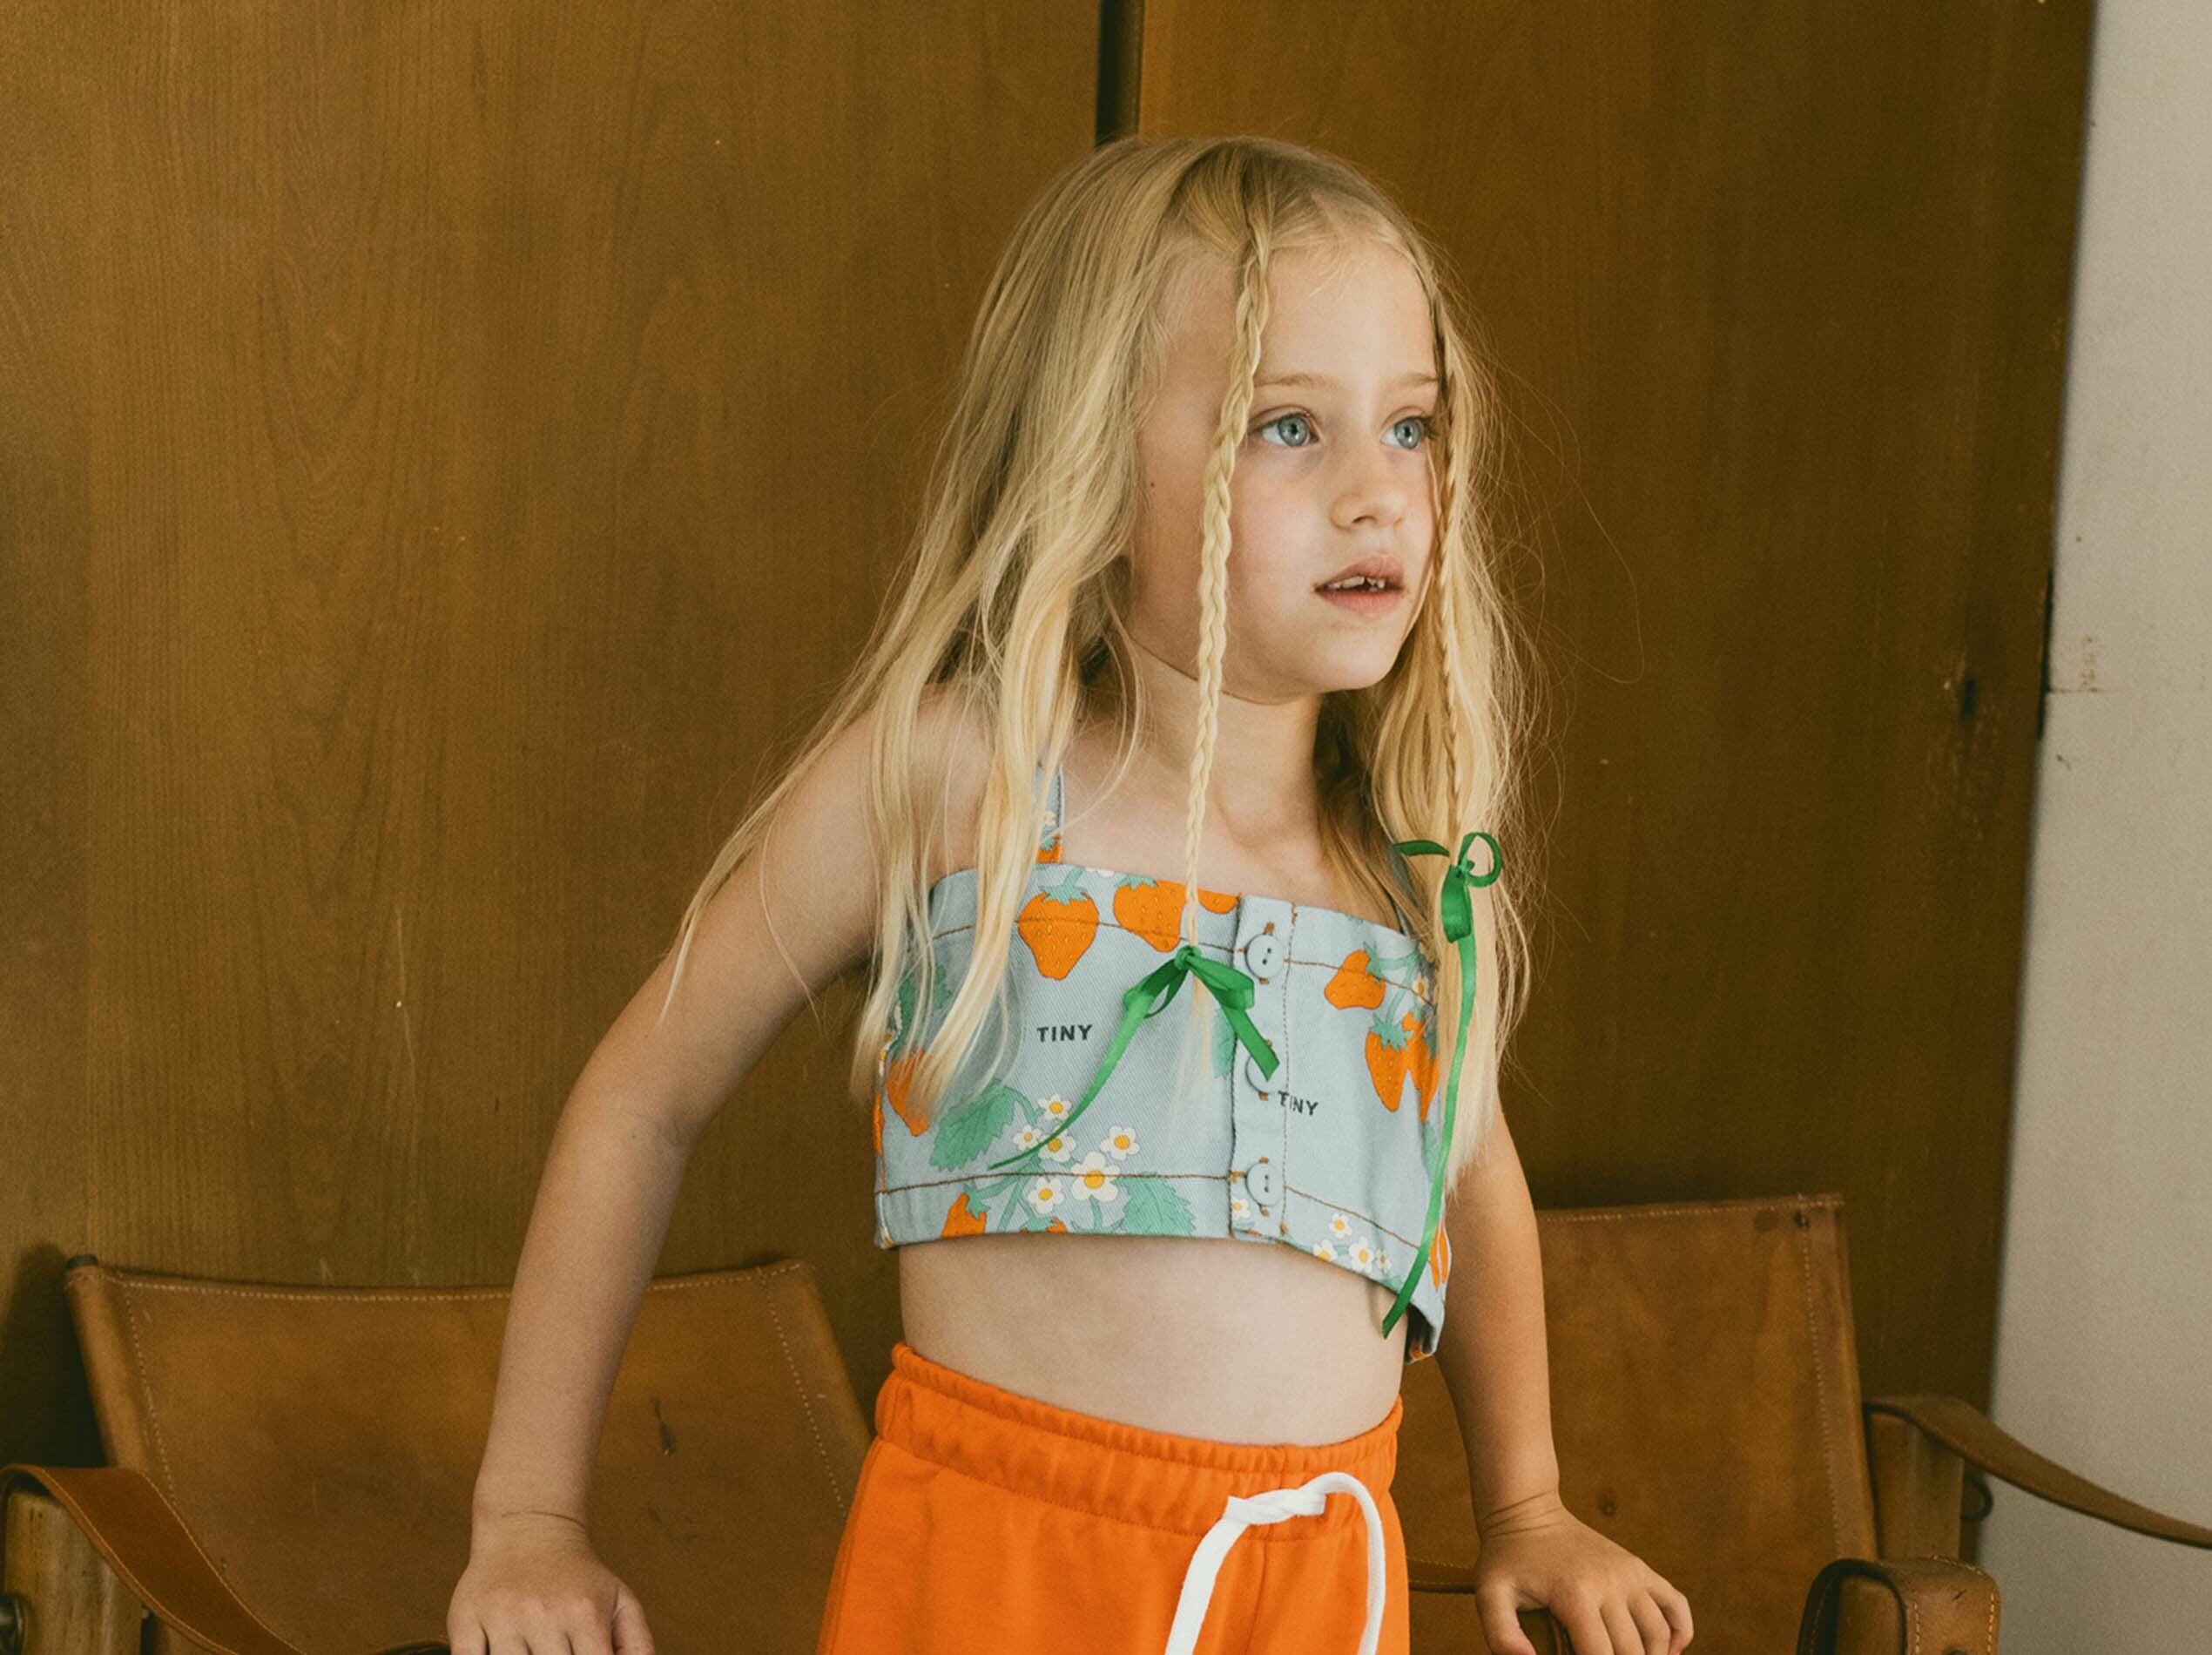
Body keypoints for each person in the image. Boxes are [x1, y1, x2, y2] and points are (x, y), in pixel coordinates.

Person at [446, 134, 1693, 1655]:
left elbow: (1476, 1178)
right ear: (1095, 469)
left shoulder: (1408, 872)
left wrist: (1529, 1510)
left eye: (1414, 428)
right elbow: (644, 1097)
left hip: (1314, 1590)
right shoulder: (959, 778)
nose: (1380, 496)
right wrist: (527, 1524)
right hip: (998, 1577)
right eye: (1288, 426)